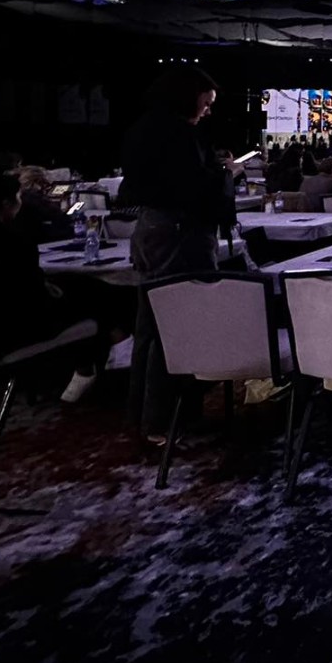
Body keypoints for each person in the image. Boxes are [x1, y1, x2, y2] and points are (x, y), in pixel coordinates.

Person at [118, 66, 241, 441]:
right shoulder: (179, 135)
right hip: (179, 237)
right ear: (190, 96)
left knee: (149, 328)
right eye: (207, 101)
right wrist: (228, 174)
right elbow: (192, 190)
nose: (208, 109)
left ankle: (142, 417)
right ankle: (165, 422)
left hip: (151, 232)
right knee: (177, 327)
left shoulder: (143, 128)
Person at [0, 173, 106, 401]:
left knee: (78, 291)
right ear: (6, 203)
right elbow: (31, 301)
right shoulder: (12, 242)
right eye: (18, 197)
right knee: (92, 296)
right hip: (7, 333)